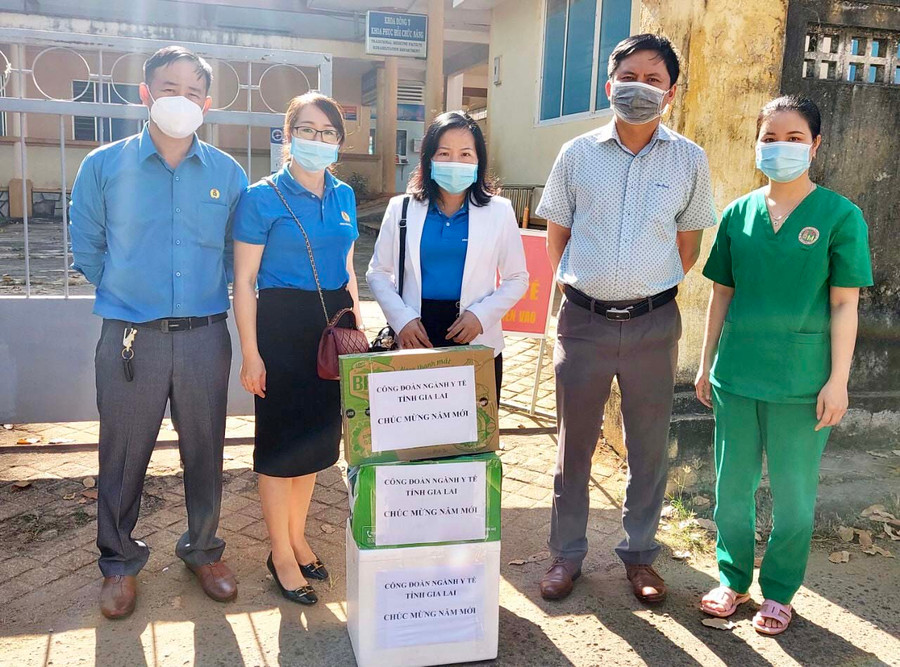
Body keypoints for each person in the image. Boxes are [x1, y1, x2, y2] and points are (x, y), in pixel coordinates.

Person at [536, 34, 717, 603]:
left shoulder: (689, 159)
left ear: (670, 92)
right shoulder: (576, 154)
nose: (641, 87)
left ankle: (640, 556)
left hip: (652, 325)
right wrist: (591, 288)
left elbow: (688, 245)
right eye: (630, 76)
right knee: (574, 447)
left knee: (647, 444)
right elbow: (556, 237)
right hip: (583, 322)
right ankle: (567, 556)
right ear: (609, 85)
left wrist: (643, 288)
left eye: (654, 78)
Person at [69, 46, 248, 619]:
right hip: (130, 335)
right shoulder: (103, 165)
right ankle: (118, 562)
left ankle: (204, 549)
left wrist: (197, 297)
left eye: (194, 92)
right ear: (145, 94)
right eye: (169, 88)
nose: (182, 100)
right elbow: (87, 248)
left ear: (208, 103)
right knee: (122, 454)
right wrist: (130, 293)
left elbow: (234, 255)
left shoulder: (228, 172)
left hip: (203, 335)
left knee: (206, 448)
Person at [695, 95, 872, 635]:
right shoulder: (737, 214)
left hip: (803, 382)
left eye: (794, 139)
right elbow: (720, 294)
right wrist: (705, 366)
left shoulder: (841, 216)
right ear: (757, 144)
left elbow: (845, 302)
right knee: (731, 488)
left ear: (816, 146)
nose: (781, 148)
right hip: (737, 376)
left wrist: (838, 381)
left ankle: (780, 592)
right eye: (770, 138)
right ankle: (731, 579)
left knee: (795, 496)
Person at [232, 93, 361, 606]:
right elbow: (243, 282)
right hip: (281, 327)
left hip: (332, 326)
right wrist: (250, 352)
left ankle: (299, 535)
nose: (318, 140)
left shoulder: (345, 195)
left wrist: (358, 326)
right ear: (288, 136)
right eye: (307, 130)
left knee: (313, 442)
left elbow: (348, 268)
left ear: (339, 143)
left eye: (328, 132)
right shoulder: (260, 198)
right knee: (280, 444)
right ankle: (279, 553)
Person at [366, 111, 528, 399]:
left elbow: (517, 278)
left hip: (474, 333)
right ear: (429, 159)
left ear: (479, 161)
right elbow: (378, 272)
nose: (455, 162)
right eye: (444, 153)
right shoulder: (401, 208)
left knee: (473, 439)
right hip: (416, 334)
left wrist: (481, 316)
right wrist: (401, 319)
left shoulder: (499, 211)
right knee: (416, 434)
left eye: (466, 154)